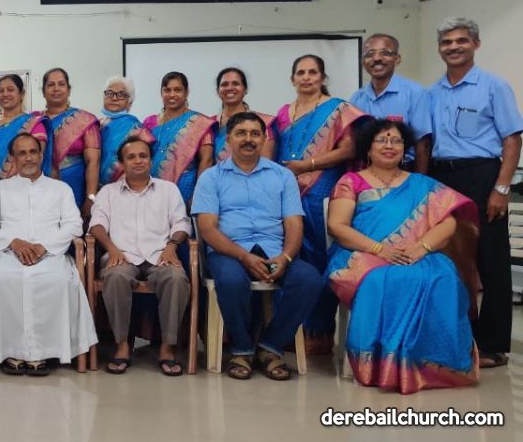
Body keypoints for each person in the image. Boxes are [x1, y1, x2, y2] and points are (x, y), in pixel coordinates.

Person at [325, 119, 479, 394]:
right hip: (362, 252)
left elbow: (449, 223)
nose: (389, 146)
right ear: (368, 148)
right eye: (382, 140)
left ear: (404, 148)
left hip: (416, 252)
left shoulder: (421, 183)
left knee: (443, 276)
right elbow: (337, 226)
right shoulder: (351, 182)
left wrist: (422, 247)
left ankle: (436, 364)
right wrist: (380, 249)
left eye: (396, 141)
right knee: (386, 278)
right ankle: (384, 364)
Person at [192, 112, 324, 381]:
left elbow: (294, 224)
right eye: (241, 133)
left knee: (309, 279)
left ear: (264, 139)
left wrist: (286, 258)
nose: (248, 139)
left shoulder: (283, 176)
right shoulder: (211, 177)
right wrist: (243, 257)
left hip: (274, 251)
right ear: (228, 139)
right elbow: (207, 229)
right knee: (231, 280)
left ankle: (270, 346)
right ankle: (242, 348)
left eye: (255, 134)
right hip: (229, 251)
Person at [425, 17, 523, 369]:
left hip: (482, 175)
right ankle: (456, 337)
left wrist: (501, 188)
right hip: (441, 176)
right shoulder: (432, 93)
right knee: (448, 258)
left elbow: (513, 139)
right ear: (439, 49)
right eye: (447, 42)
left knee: (491, 259)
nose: (453, 47)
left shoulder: (494, 86)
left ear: (475, 44)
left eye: (461, 41)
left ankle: (493, 344)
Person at [0, 134, 97, 375]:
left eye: (33, 152)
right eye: (21, 153)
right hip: (9, 254)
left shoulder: (60, 189)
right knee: (1, 280)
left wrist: (45, 246)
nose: (28, 158)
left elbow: (74, 225)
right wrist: (13, 242)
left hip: (51, 254)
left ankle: (46, 352)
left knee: (59, 280)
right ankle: (11, 352)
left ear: (41, 155)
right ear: (12, 158)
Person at [272, 55, 367, 352]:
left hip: (322, 188)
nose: (306, 77)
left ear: (323, 78)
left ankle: (320, 330)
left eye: (312, 72)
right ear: (292, 79)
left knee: (320, 256)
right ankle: (290, 329)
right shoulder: (284, 113)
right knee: (290, 255)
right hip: (287, 191)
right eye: (300, 72)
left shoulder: (339, 109)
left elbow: (350, 148)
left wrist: (307, 165)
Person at [88, 136, 191, 376]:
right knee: (115, 277)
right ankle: (122, 345)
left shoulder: (168, 190)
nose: (137, 161)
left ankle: (167, 347)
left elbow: (181, 222)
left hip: (161, 255)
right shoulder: (108, 192)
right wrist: (112, 249)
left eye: (143, 156)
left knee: (176, 278)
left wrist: (172, 246)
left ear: (150, 160)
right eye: (131, 157)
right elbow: (96, 224)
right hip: (122, 256)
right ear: (122, 163)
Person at [349, 34, 433, 172]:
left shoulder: (415, 93)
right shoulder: (357, 98)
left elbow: (423, 143)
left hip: (404, 170)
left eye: (385, 53)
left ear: (397, 59)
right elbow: (353, 143)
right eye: (369, 54)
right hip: (367, 172)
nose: (377, 58)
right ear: (363, 62)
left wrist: (418, 181)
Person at [143, 71, 214, 206]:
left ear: (186, 92)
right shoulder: (149, 122)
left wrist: (198, 194)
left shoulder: (200, 122)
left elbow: (207, 160)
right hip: (151, 188)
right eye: (167, 90)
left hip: (185, 189)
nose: (172, 95)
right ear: (161, 93)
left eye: (177, 90)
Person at [38, 68, 101, 212]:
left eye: (61, 84)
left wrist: (90, 197)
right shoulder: (34, 121)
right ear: (43, 91)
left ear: (69, 90)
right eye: (51, 85)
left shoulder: (84, 120)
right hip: (40, 188)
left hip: (75, 186)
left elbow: (93, 162)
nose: (56, 88)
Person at [0, 74, 47, 194]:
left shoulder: (34, 124)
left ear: (21, 94)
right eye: (1, 91)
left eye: (10, 89)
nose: (5, 94)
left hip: (23, 190)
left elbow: (36, 160)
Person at [98, 75, 153, 185]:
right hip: (95, 186)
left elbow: (141, 160)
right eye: (109, 93)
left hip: (124, 185)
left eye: (121, 95)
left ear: (130, 102)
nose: (114, 98)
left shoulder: (136, 129)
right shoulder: (97, 124)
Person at [212, 67, 274, 163]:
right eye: (224, 84)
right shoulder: (210, 125)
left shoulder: (262, 122)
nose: (229, 88)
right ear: (217, 91)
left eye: (235, 83)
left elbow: (265, 163)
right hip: (216, 173)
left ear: (245, 89)